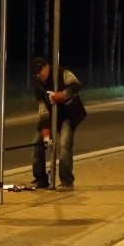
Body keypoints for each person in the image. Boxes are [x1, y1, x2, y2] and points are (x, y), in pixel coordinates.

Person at [30, 57, 87, 191]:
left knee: (64, 144)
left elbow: (76, 85)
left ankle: (67, 181)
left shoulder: (62, 73)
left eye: (40, 72)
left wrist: (62, 95)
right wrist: (45, 134)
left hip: (69, 114)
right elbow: (43, 109)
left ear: (46, 67)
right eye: (35, 74)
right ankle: (41, 179)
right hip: (51, 116)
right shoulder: (38, 85)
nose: (38, 76)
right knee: (37, 144)